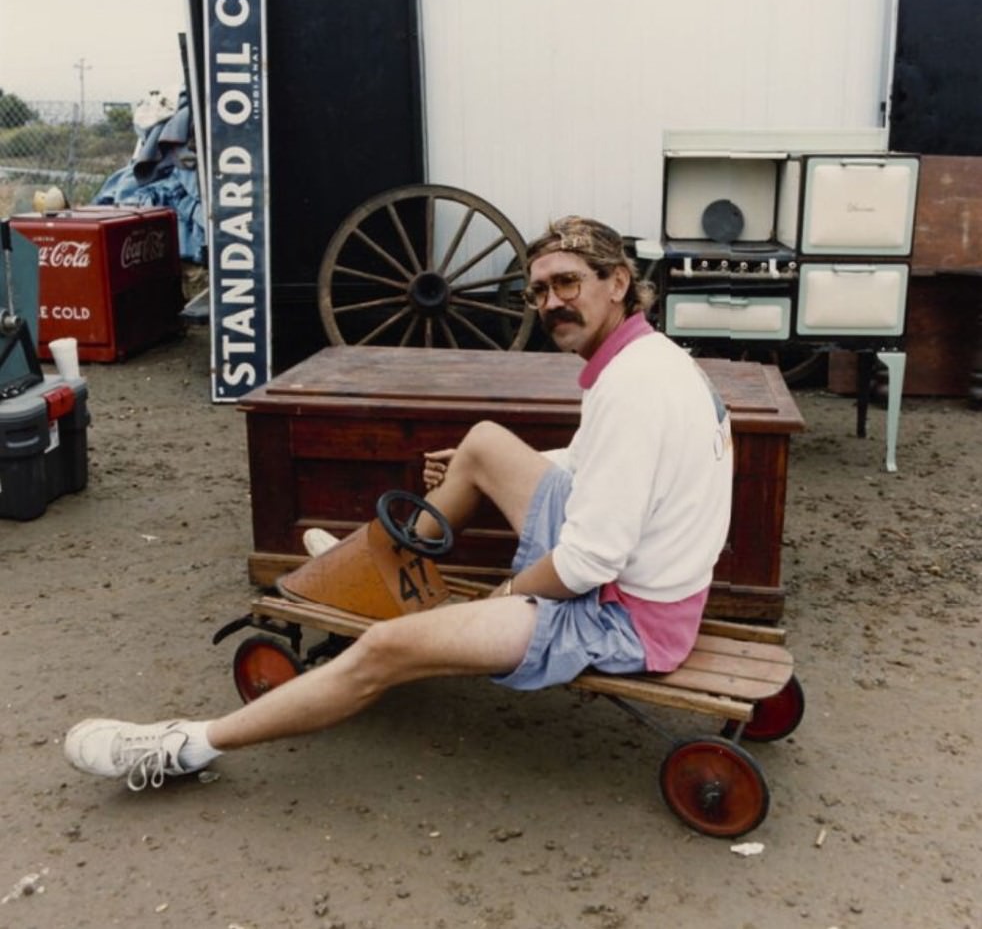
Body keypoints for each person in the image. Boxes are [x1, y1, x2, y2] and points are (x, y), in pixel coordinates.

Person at [64, 216, 733, 792]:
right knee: (484, 444)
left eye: (568, 284)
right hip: (646, 574)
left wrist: (504, 596)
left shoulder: (633, 391)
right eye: (539, 290)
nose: (552, 302)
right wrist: (501, 476)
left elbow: (588, 560)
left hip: (626, 617)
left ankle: (185, 745)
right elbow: (588, 468)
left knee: (385, 649)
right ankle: (380, 564)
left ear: (617, 282)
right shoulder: (647, 360)